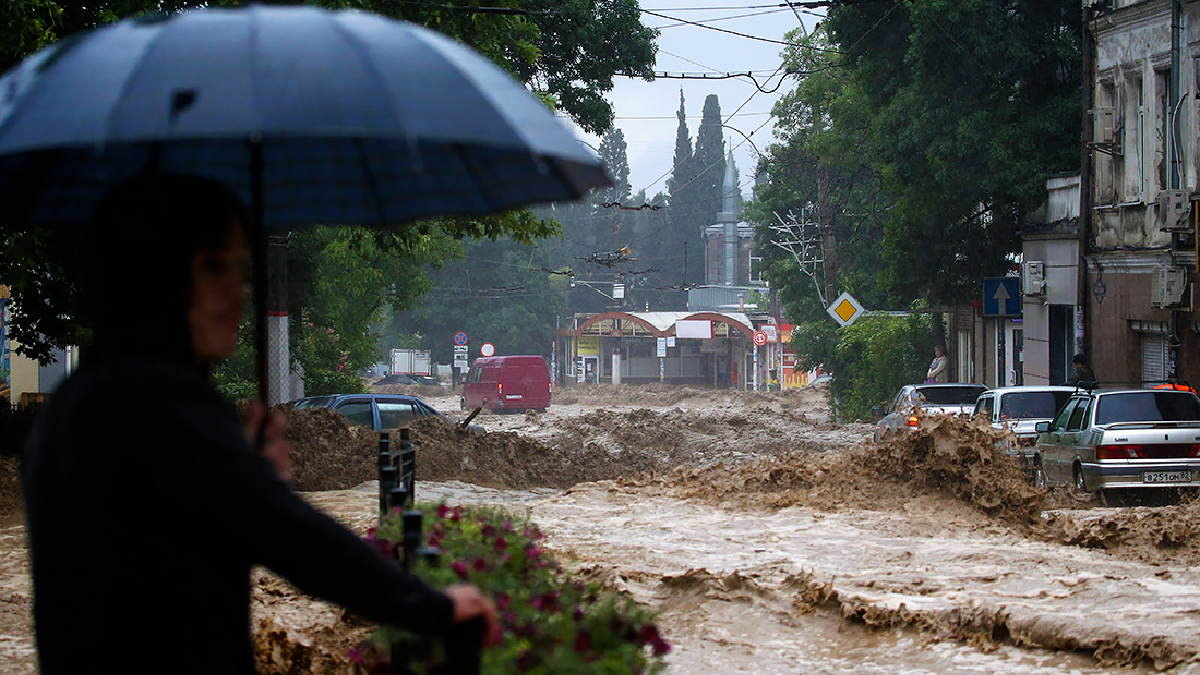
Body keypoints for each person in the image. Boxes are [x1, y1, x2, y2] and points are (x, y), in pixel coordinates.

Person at [22, 175, 497, 675]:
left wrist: (242, 471)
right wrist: (432, 607)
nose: (239, 292)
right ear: (151, 278)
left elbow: (172, 548)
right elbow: (293, 540)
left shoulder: (79, 404)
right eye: (213, 268)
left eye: (239, 268)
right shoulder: (157, 403)